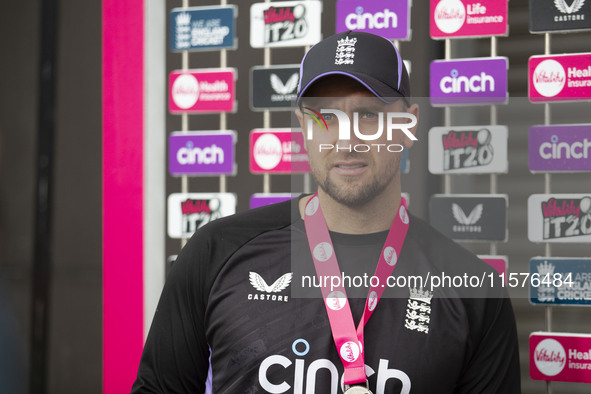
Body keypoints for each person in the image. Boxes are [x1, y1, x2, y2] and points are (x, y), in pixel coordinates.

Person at [131, 31, 520, 393]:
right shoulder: (215, 251)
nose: (347, 139)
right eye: (325, 116)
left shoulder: (474, 292)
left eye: (368, 114)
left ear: (408, 125)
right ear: (303, 127)